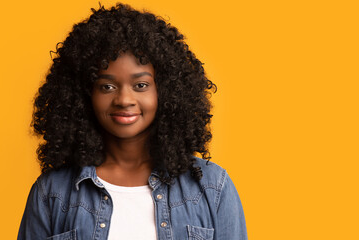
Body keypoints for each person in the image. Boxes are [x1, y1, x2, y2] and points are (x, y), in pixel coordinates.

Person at [18, 3, 247, 240]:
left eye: (141, 85)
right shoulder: (52, 193)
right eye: (107, 86)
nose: (124, 99)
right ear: (84, 94)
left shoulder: (213, 187)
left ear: (165, 91)